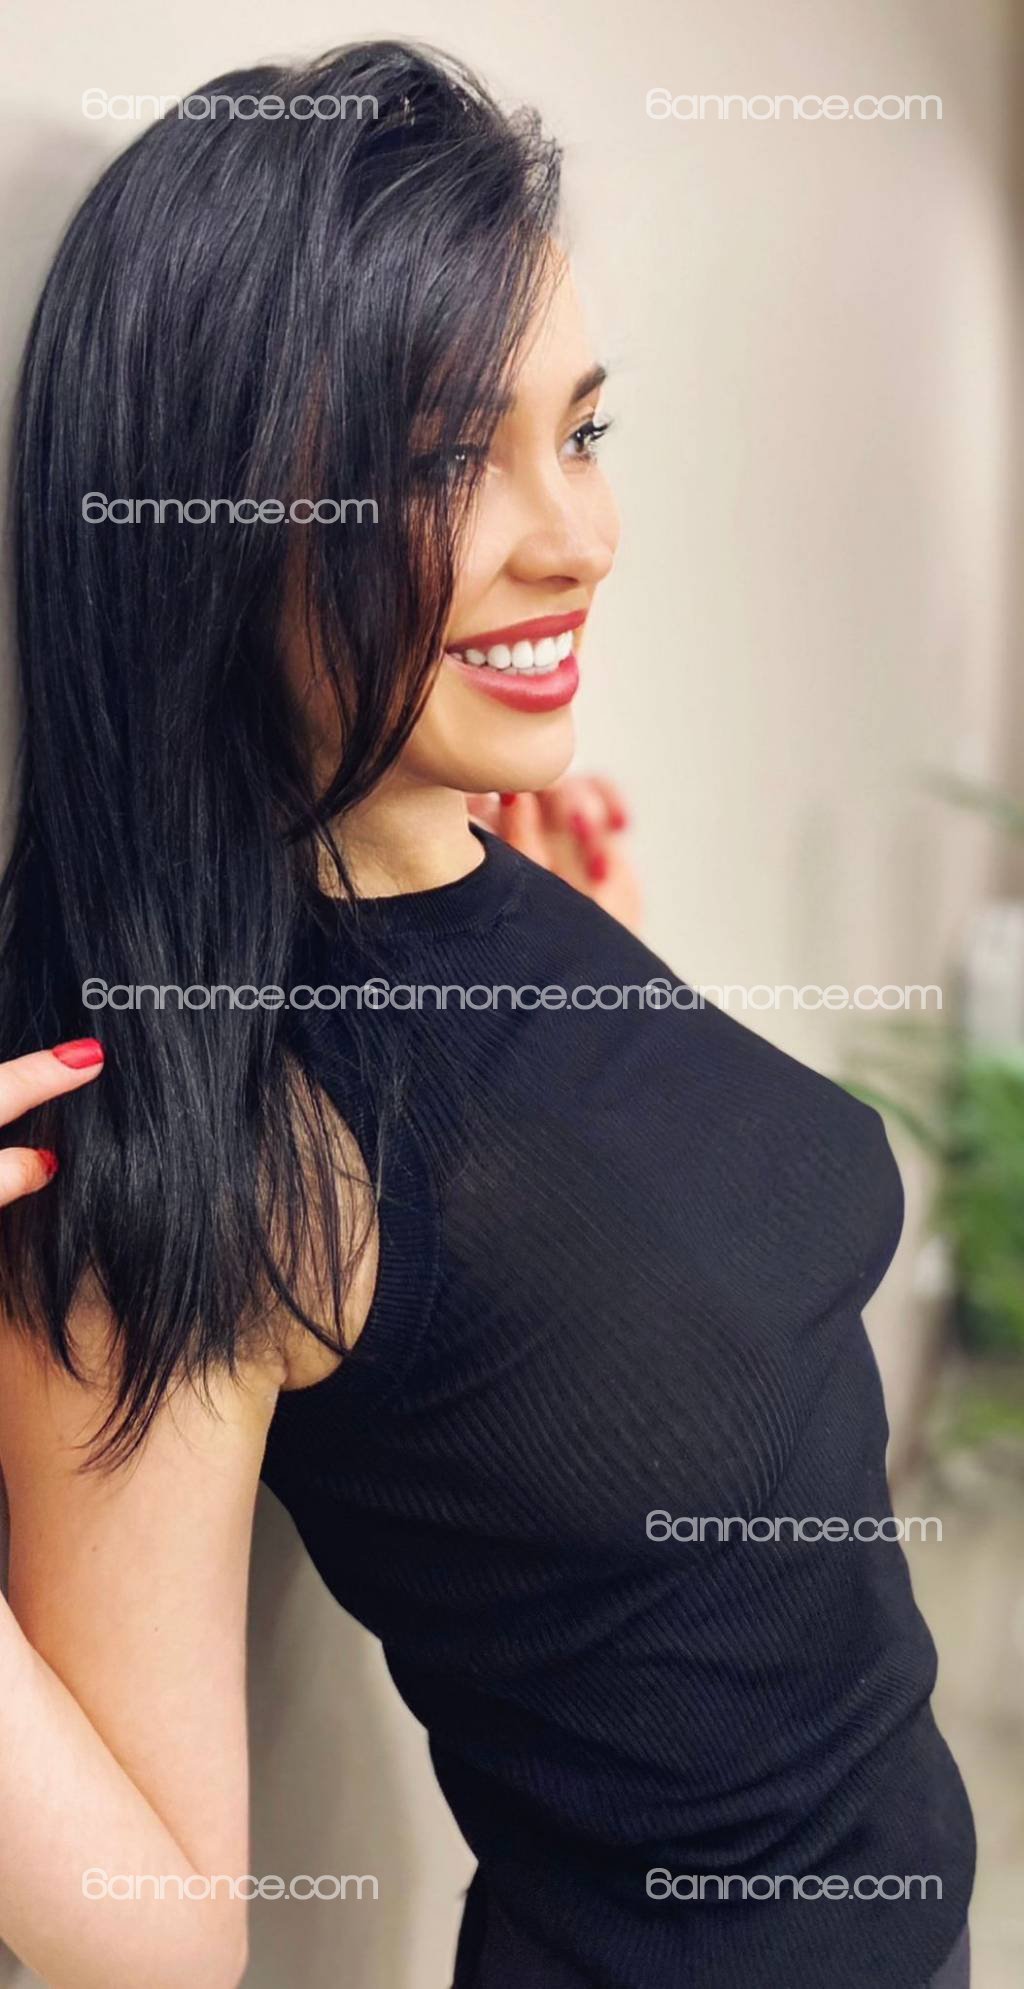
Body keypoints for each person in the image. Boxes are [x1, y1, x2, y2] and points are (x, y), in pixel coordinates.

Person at [0, 38, 973, 1989]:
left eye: (583, 431)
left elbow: (575, 1334)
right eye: (450, 461)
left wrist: (589, 1039)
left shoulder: (494, 858)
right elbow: (160, 1936)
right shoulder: (209, 1130)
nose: (577, 537)